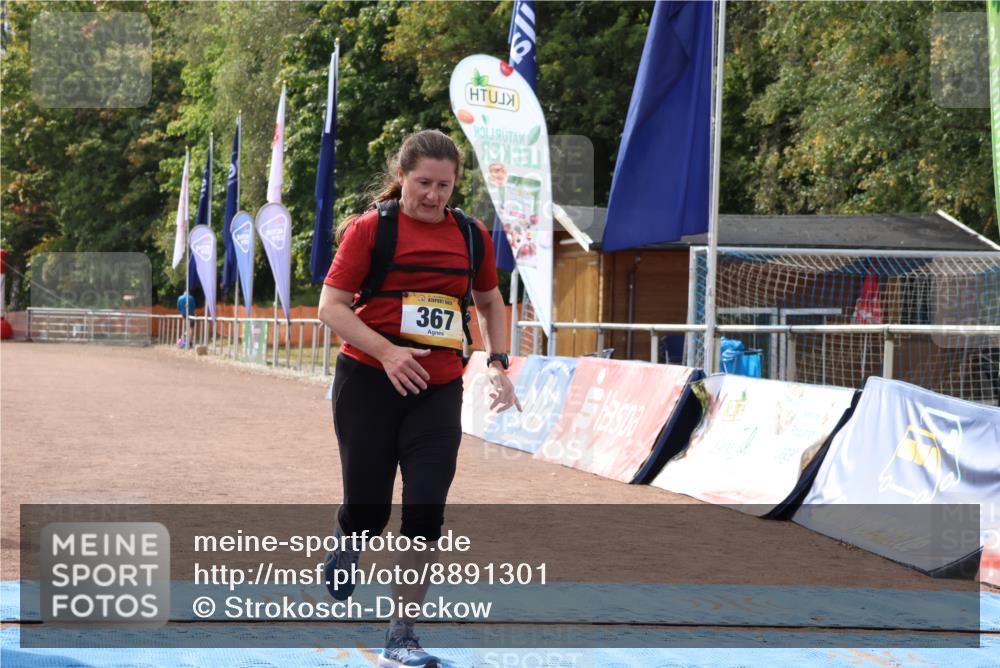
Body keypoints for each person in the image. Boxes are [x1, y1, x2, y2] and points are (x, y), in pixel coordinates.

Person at [317, 129, 521, 668]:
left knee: (426, 507)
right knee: (369, 507)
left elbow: (490, 301)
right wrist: (387, 353)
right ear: (401, 176)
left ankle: (401, 634)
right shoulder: (370, 230)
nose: (433, 195)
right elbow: (332, 307)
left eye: (445, 185)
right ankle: (349, 536)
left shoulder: (472, 235)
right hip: (368, 382)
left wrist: (499, 362)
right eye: (424, 183)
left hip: (437, 389)